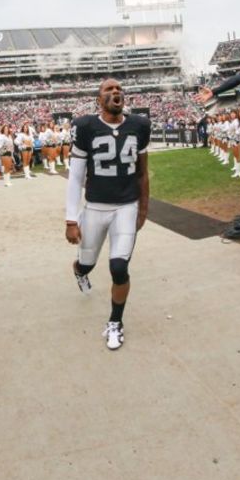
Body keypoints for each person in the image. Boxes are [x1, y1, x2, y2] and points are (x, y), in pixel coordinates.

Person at [65, 78, 151, 351]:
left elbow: (142, 173)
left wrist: (144, 209)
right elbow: (76, 176)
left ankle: (115, 322)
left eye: (119, 89)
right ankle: (79, 270)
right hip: (95, 207)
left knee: (119, 267)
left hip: (126, 206)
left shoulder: (139, 125)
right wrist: (70, 219)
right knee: (87, 263)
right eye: (108, 90)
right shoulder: (84, 126)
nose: (116, 92)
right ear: (98, 99)